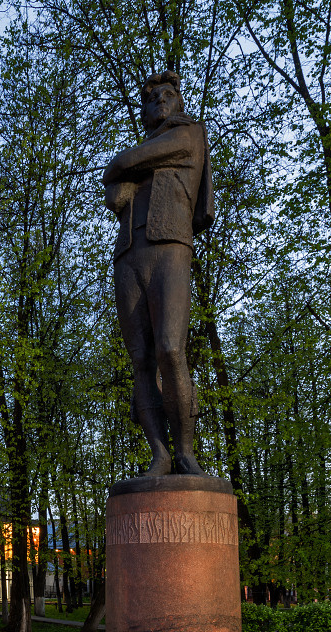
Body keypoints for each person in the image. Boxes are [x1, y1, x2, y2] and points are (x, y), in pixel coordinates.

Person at [102, 71, 214, 476]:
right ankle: (159, 454)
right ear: (145, 113)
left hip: (170, 245)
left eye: (168, 95)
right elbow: (113, 193)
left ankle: (185, 452)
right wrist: (122, 175)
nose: (161, 101)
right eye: (152, 99)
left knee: (170, 349)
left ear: (179, 103)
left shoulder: (189, 133)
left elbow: (119, 166)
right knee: (141, 359)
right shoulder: (152, 148)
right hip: (129, 252)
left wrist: (125, 168)